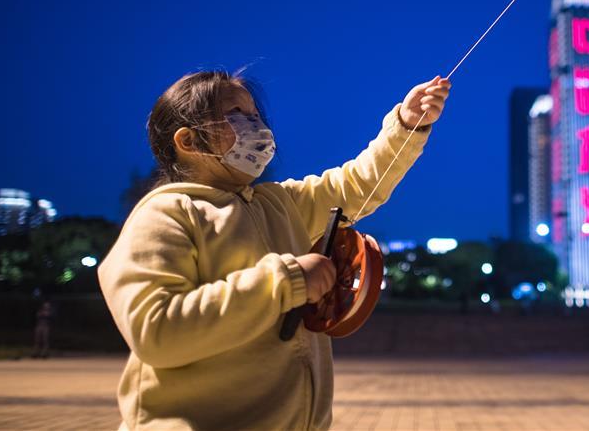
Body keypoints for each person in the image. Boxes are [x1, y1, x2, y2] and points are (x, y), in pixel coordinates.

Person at [98, 69, 451, 430]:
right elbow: (156, 332)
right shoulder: (164, 216)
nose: (257, 128)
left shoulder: (281, 204)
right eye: (237, 116)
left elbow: (357, 185)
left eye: (255, 116)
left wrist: (406, 126)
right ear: (188, 141)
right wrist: (289, 280)